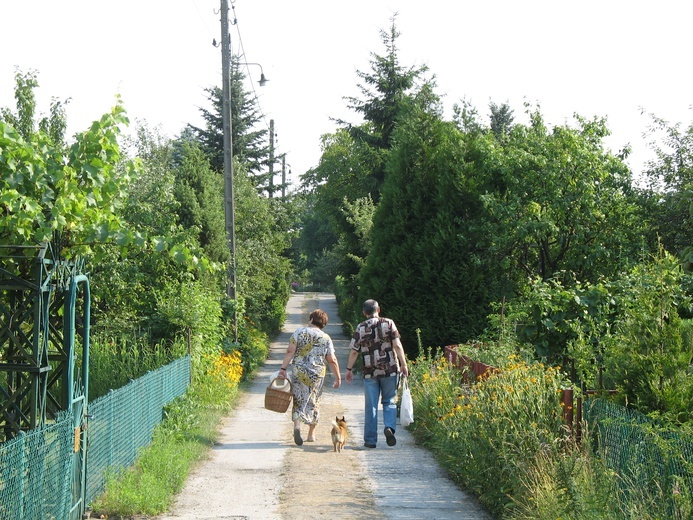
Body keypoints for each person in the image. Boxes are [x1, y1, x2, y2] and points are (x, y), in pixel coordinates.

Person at [344, 299, 409, 448]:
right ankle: (389, 427)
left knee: (371, 405)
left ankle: (370, 440)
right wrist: (404, 364)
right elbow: (397, 345)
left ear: (364, 313)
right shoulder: (389, 323)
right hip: (390, 370)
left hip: (369, 372)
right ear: (378, 310)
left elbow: (354, 352)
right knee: (389, 401)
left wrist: (348, 370)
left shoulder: (360, 327)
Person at [278, 308, 341, 446]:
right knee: (314, 401)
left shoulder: (298, 332)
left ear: (312, 320)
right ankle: (311, 434)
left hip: (299, 371)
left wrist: (283, 368)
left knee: (298, 398)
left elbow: (290, 351)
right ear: (323, 323)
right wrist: (337, 377)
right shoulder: (326, 338)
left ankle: (297, 426)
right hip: (316, 374)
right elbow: (332, 359)